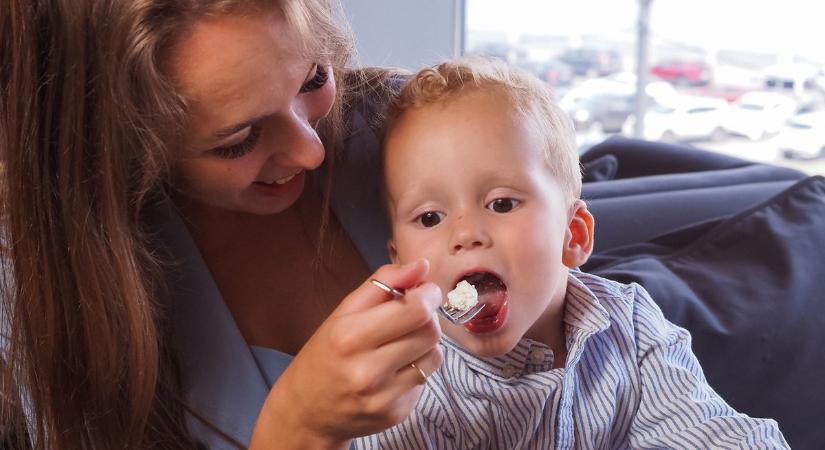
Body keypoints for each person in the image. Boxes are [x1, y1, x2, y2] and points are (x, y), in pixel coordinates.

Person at [0, 1, 444, 449]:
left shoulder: (425, 123)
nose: (311, 152)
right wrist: (297, 430)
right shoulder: (51, 300)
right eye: (239, 140)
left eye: (314, 78)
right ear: (120, 142)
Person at [354, 57, 790, 449]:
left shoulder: (632, 328)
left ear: (573, 234)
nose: (465, 234)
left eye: (501, 203)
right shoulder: (407, 386)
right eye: (430, 217)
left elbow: (714, 432)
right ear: (399, 263)